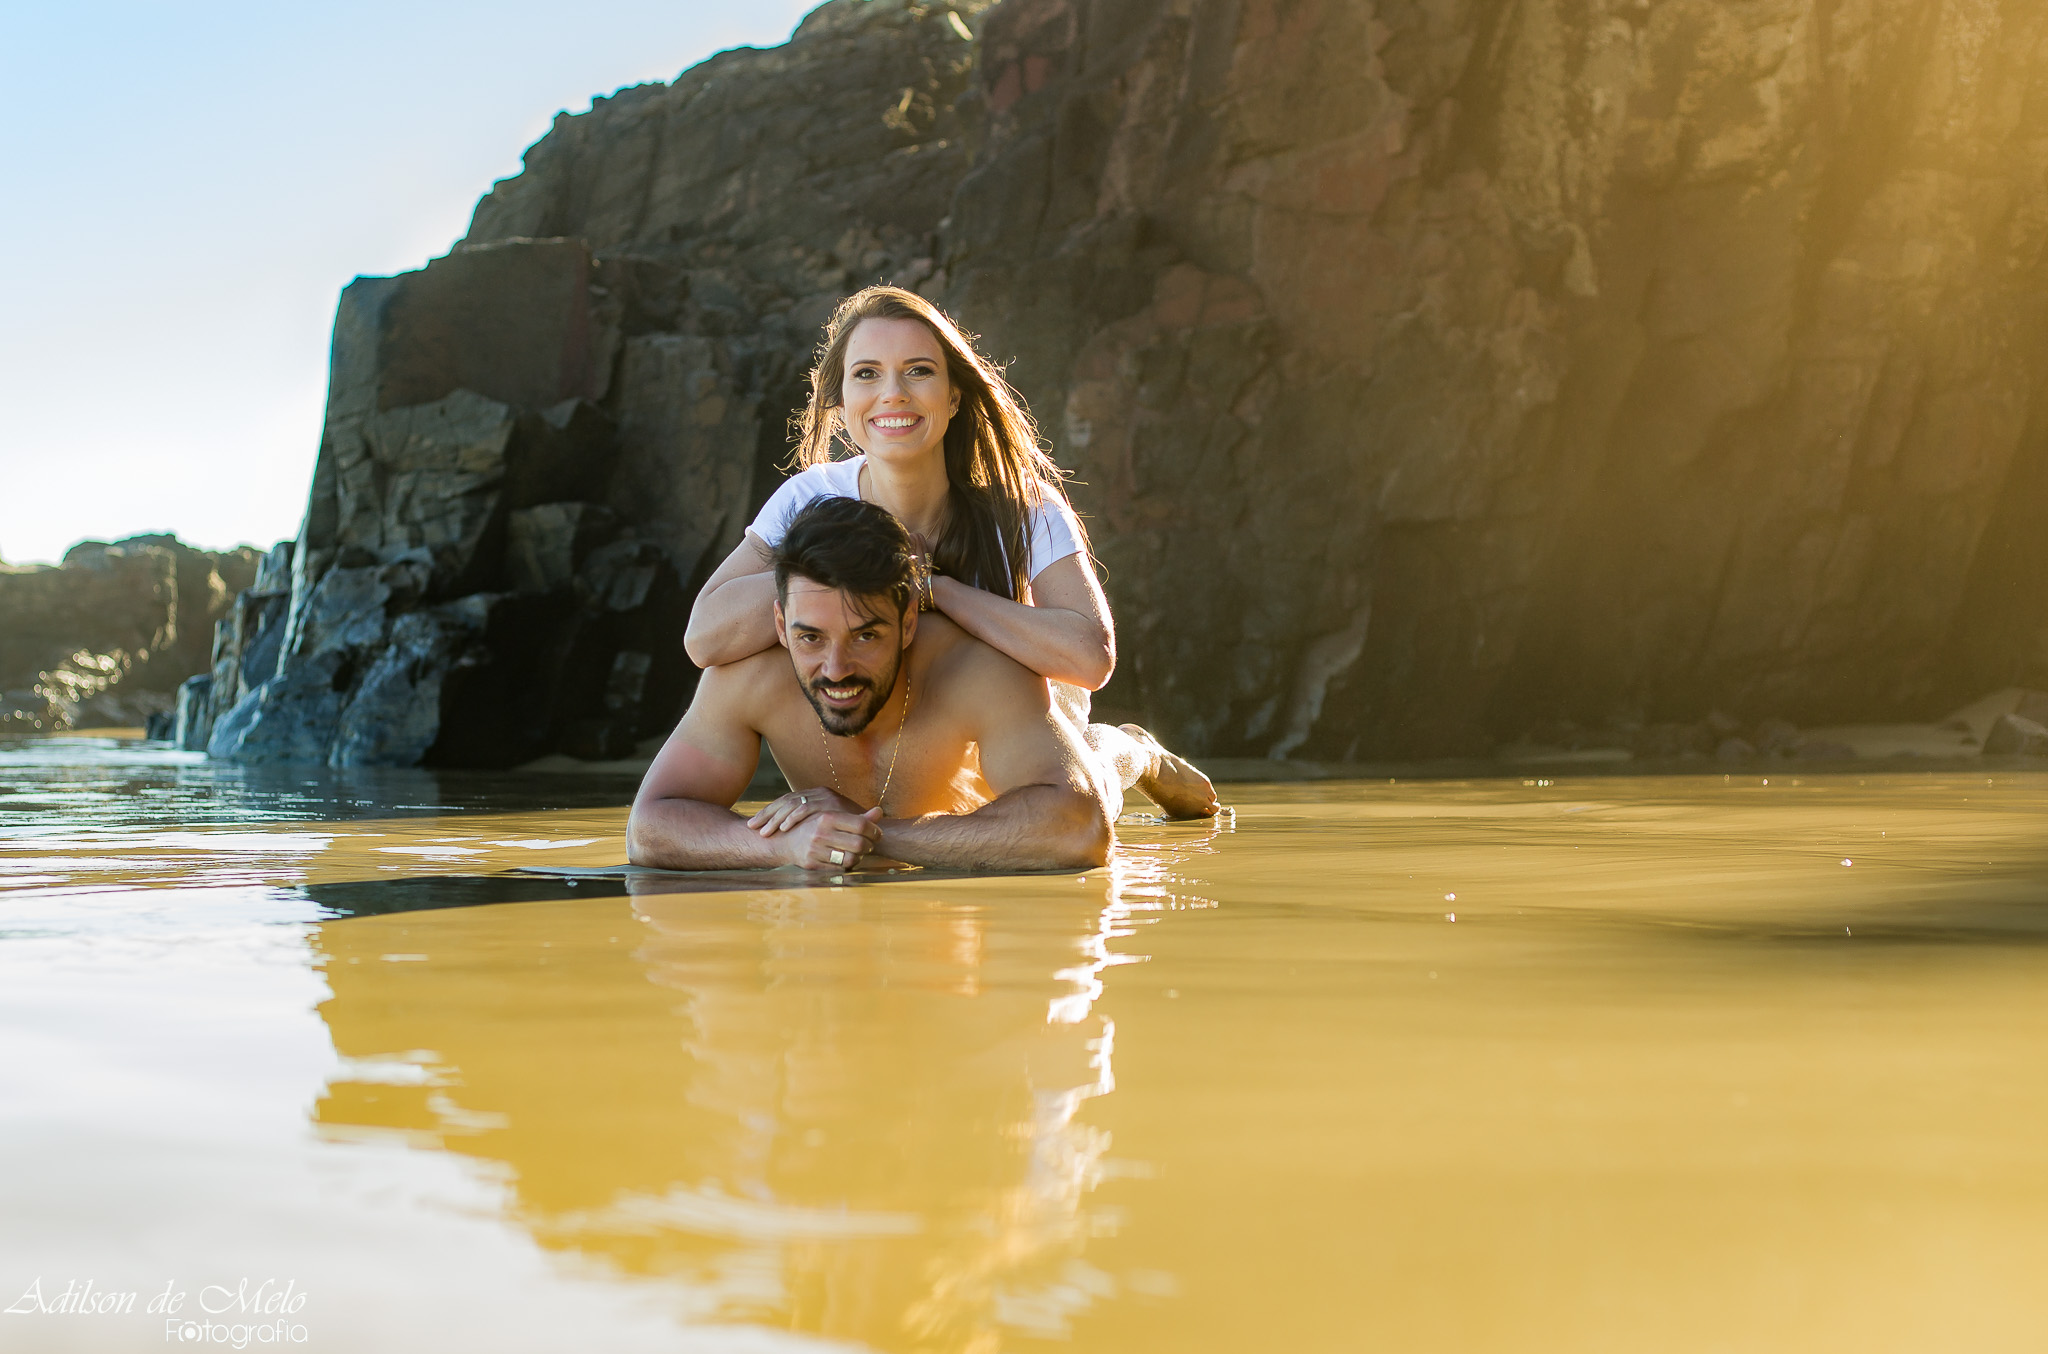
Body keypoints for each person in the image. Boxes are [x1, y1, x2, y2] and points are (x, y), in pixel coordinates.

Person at [683, 283, 1216, 820]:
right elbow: (704, 636)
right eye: (867, 373)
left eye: (918, 370)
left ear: (954, 395)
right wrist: (841, 572)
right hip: (879, 723)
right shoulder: (808, 498)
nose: (893, 393)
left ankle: (1134, 751)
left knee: (1090, 789)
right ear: (840, 404)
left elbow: (1089, 658)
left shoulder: (1022, 507)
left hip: (1013, 726)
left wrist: (933, 587)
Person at [628, 499, 1214, 873]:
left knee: (1098, 776)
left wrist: (866, 837)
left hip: (1001, 792)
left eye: (865, 636)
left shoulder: (978, 668)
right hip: (939, 832)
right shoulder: (747, 676)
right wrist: (778, 847)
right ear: (780, 624)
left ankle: (1137, 747)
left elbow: (1078, 829)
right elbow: (649, 829)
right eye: (810, 637)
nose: (835, 667)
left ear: (909, 621)